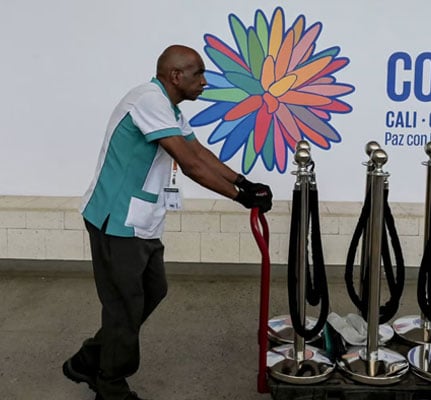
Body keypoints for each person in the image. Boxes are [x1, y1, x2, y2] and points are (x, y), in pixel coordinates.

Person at [62, 44, 273, 400]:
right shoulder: (148, 101)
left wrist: (242, 181)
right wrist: (240, 199)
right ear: (176, 76)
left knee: (153, 290)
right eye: (199, 74)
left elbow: (198, 152)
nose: (205, 82)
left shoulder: (167, 107)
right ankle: (110, 385)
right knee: (125, 306)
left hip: (139, 223)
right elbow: (189, 165)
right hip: (116, 223)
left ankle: (90, 357)